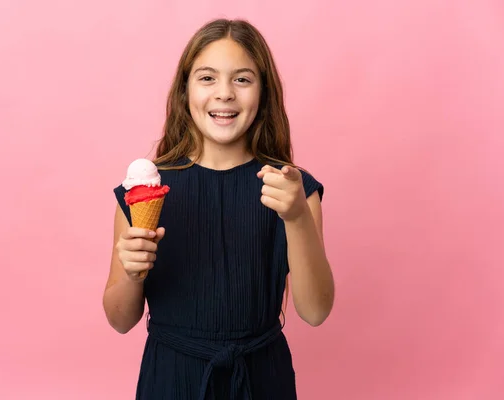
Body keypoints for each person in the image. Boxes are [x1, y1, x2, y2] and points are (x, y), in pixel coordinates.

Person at [103, 18, 335, 400]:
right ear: (184, 91)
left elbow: (315, 311)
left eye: (242, 79)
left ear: (263, 93)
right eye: (207, 78)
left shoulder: (292, 190)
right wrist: (131, 273)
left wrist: (295, 217)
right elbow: (120, 320)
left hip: (262, 379)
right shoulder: (146, 191)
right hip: (171, 379)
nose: (224, 93)